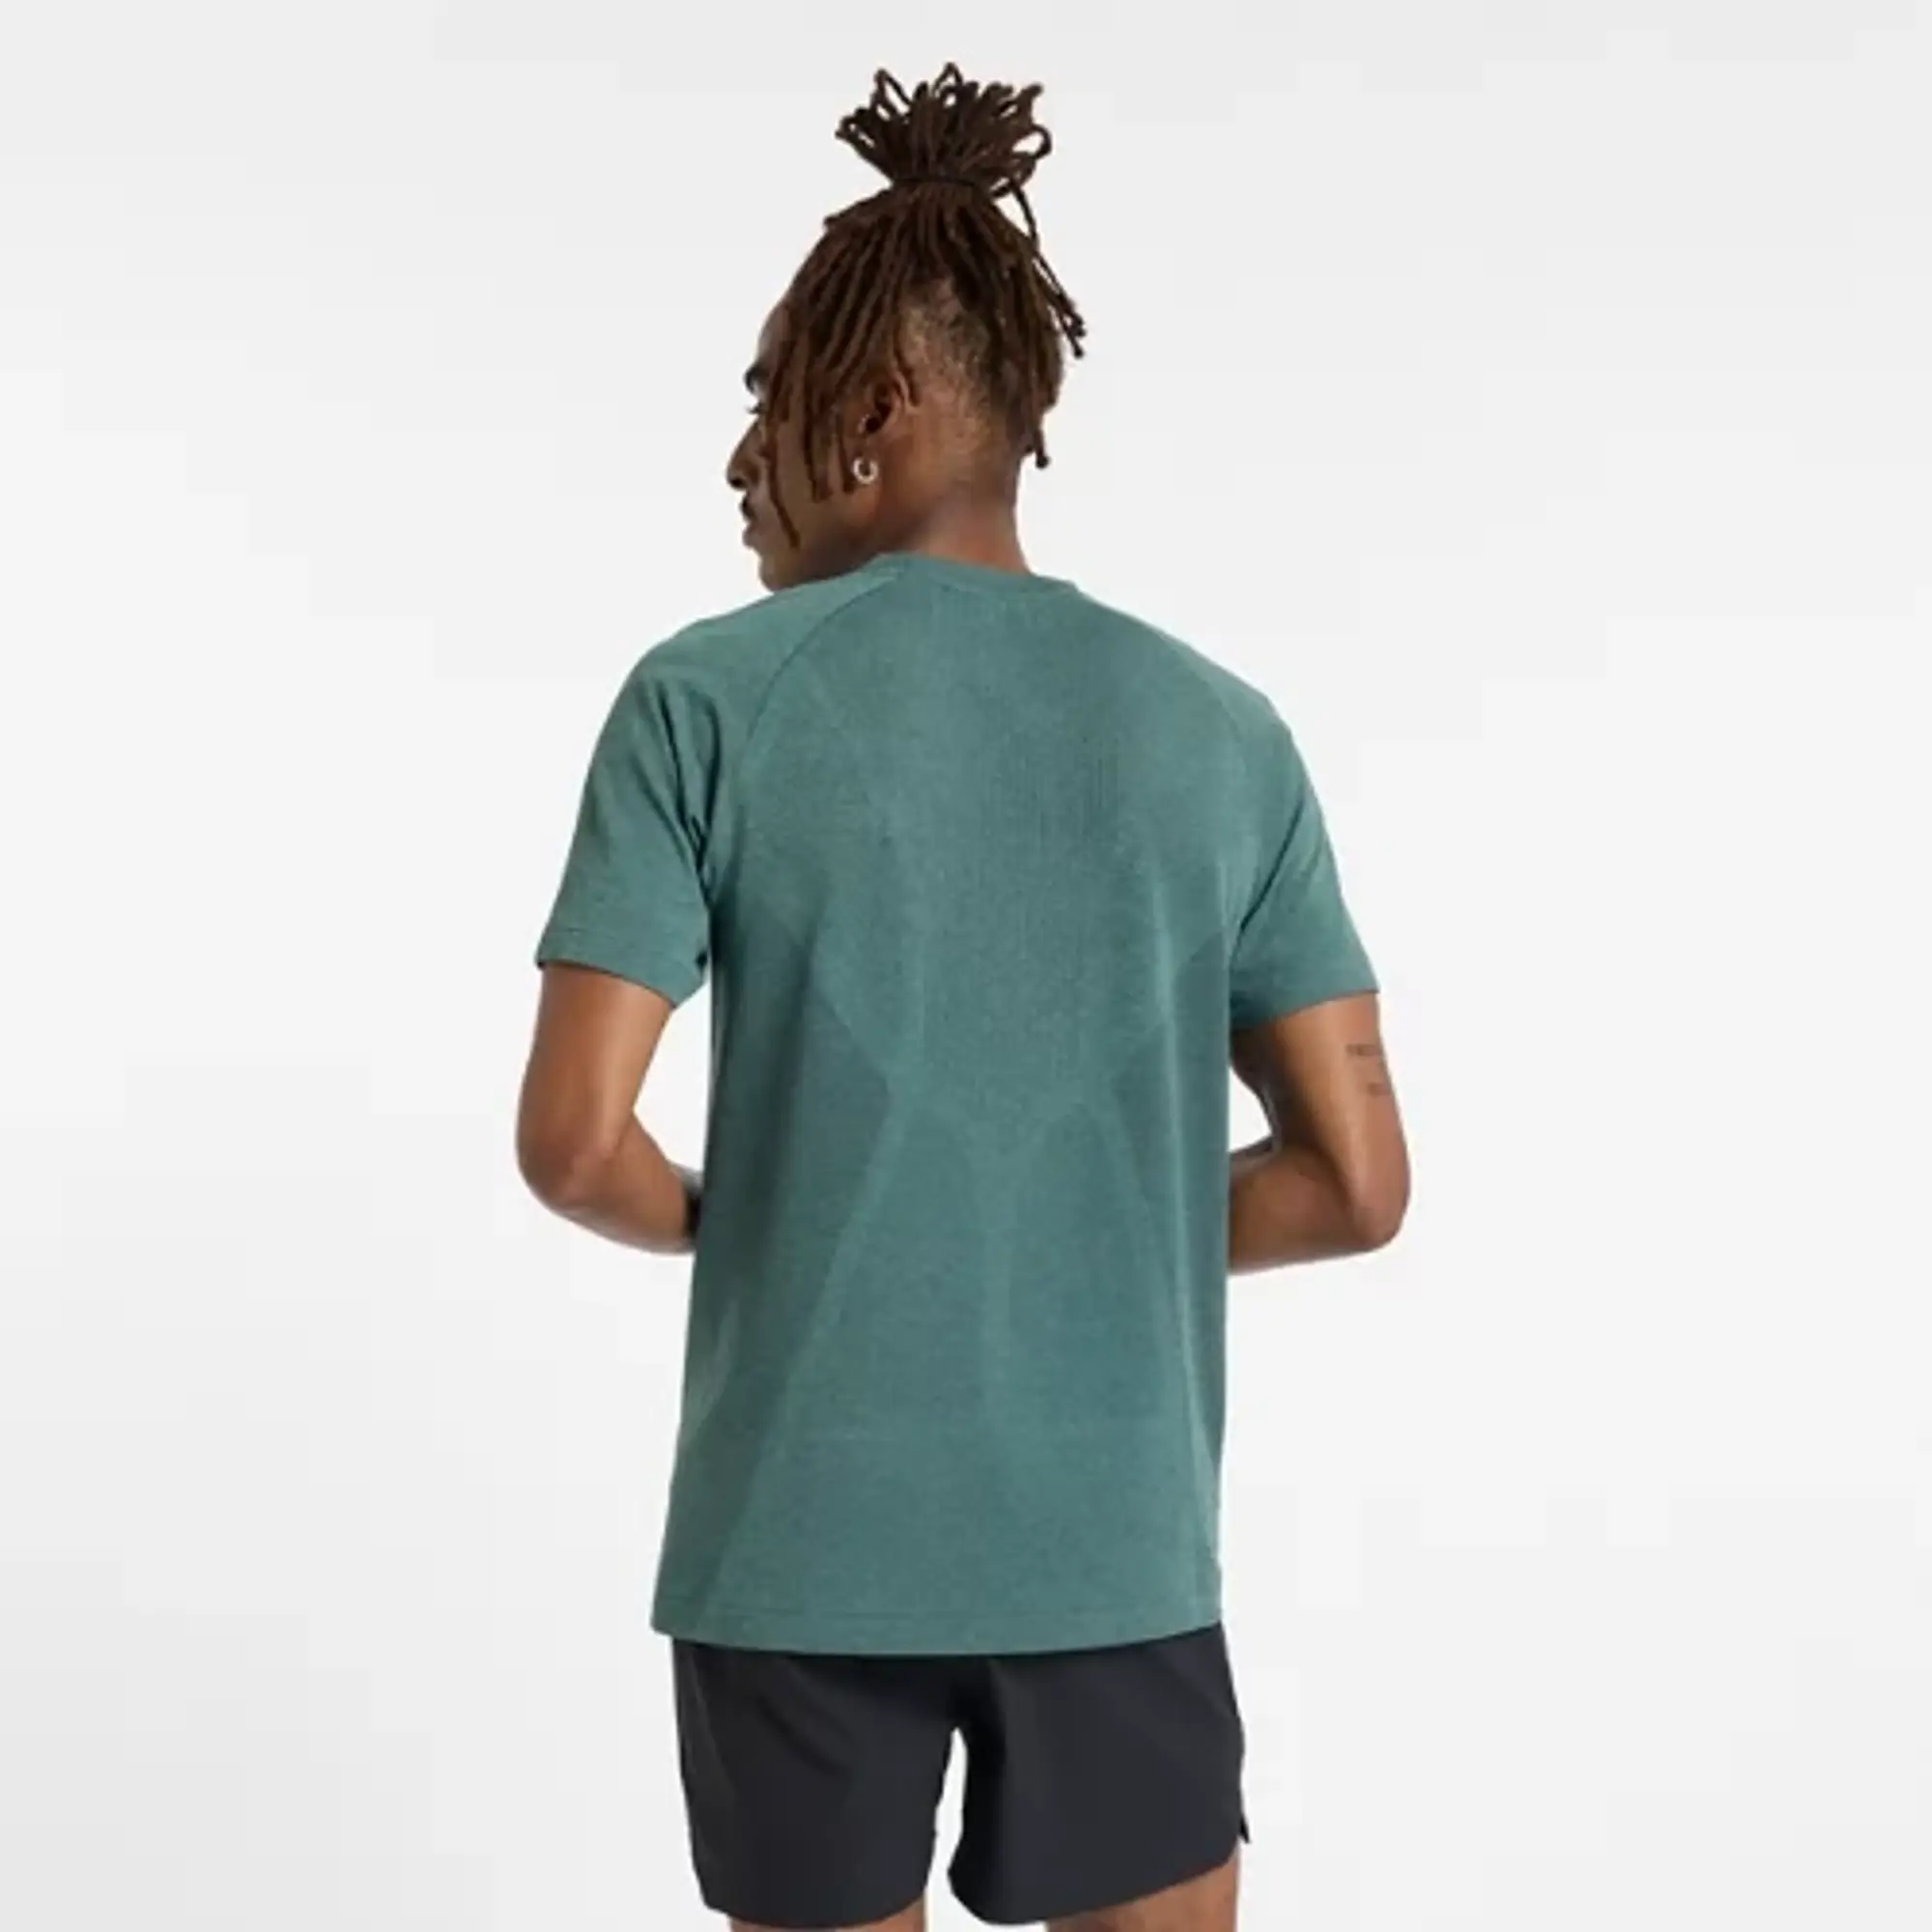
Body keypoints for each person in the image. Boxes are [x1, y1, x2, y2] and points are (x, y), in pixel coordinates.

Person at [516, 61, 1409, 1932]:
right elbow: (1354, 1181)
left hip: (795, 1545)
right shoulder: (1223, 731)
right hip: (1112, 1546)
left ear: (874, 410)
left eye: (766, 399)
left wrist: (757, 1213)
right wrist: (1094, 1227)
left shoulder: (705, 699)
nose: (739, 461)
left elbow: (577, 1143)